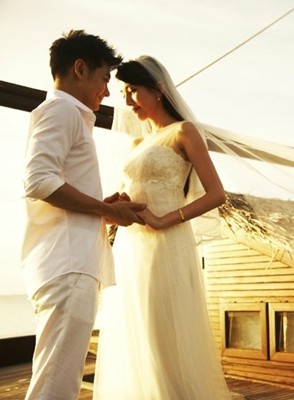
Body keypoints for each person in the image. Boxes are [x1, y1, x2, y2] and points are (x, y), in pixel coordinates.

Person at [93, 56, 233, 399]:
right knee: (135, 331)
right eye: (124, 92)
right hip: (131, 247)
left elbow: (216, 194)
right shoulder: (136, 144)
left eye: (133, 90)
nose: (127, 101)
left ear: (157, 89)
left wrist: (162, 220)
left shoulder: (183, 132)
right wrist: (116, 206)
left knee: (162, 331)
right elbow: (134, 192)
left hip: (166, 244)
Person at [21, 30, 146, 400]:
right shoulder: (61, 110)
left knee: (58, 379)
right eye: (104, 78)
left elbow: (51, 185)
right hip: (69, 264)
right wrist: (105, 208)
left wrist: (103, 207)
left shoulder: (65, 114)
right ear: (80, 68)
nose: (106, 92)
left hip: (68, 262)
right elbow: (39, 181)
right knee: (56, 385)